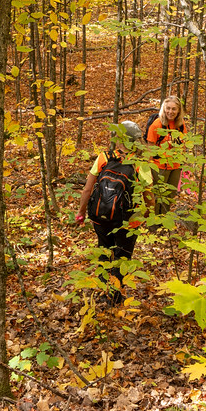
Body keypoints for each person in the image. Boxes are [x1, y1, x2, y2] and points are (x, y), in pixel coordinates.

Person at [74, 121, 152, 303]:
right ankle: (115, 298)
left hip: (100, 217)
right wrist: (146, 215)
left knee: (104, 250)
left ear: (119, 140)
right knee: (122, 257)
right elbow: (149, 197)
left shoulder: (103, 157)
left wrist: (81, 212)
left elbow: (87, 190)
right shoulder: (140, 164)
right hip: (129, 220)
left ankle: (102, 291)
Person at [146, 96, 188, 215]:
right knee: (157, 196)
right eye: (168, 108)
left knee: (170, 195)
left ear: (179, 110)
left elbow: (182, 145)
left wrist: (183, 162)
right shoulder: (156, 125)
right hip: (159, 167)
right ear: (163, 109)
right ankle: (154, 223)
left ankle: (164, 222)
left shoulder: (180, 124)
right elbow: (150, 149)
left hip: (175, 166)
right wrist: (149, 171)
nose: (170, 112)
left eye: (174, 109)